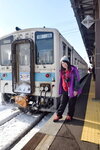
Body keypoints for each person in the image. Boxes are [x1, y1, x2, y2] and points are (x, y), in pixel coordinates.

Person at [53, 56, 81, 122]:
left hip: (72, 90)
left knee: (71, 104)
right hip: (65, 90)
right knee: (62, 103)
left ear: (68, 63)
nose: (64, 65)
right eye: (62, 63)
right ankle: (59, 115)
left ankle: (69, 116)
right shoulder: (63, 71)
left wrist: (76, 90)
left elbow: (77, 80)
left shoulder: (73, 70)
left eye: (65, 63)